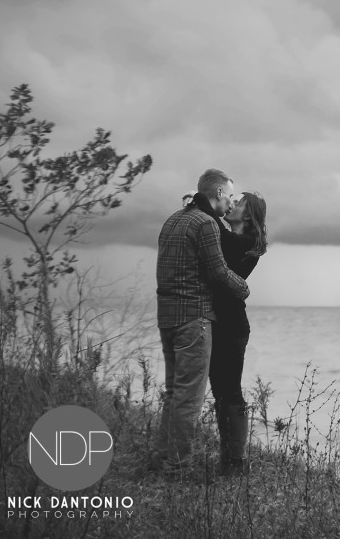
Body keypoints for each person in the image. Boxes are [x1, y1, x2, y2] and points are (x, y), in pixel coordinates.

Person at [153, 169, 250, 476]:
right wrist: (244, 288)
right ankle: (177, 468)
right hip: (193, 318)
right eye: (230, 195)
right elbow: (219, 272)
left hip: (166, 316)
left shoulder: (174, 219)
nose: (231, 202)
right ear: (219, 193)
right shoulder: (206, 223)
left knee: (173, 393)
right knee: (189, 398)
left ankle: (162, 459)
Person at [206, 191, 268, 477]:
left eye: (238, 203)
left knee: (229, 390)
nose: (231, 205)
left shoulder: (243, 242)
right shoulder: (234, 239)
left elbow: (220, 238)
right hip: (222, 322)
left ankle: (237, 460)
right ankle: (229, 457)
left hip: (232, 326)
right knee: (221, 390)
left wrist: (205, 208)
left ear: (247, 215)